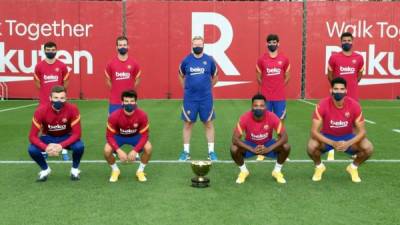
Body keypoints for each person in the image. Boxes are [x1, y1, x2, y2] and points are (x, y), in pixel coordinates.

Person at [307, 77, 373, 183]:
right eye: (336, 89)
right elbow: (314, 131)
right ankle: (319, 167)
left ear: (346, 91)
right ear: (331, 90)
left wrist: (348, 143)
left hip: (348, 138)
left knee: (368, 147)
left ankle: (353, 167)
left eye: (342, 89)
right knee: (311, 146)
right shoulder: (322, 105)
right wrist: (332, 143)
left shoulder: (354, 105)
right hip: (328, 137)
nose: (339, 91)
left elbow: (362, 131)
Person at [230, 94, 291, 184]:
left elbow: (285, 137)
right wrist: (252, 149)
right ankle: (243, 171)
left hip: (267, 144)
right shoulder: (245, 117)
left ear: (265, 107)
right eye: (256, 106)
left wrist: (269, 148)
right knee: (234, 148)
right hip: (250, 144)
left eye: (261, 106)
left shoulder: (272, 116)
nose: (259, 108)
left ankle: (277, 171)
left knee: (286, 146)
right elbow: (235, 139)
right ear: (252, 107)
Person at [28, 85, 84, 182]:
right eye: (56, 98)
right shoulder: (40, 111)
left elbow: (77, 134)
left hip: (66, 137)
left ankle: (74, 170)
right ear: (50, 98)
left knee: (79, 146)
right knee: (32, 149)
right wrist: (45, 147)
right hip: (48, 137)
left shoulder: (73, 109)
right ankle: (45, 169)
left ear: (66, 98)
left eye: (62, 98)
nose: (59, 101)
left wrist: (61, 146)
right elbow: (32, 136)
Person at [177, 36, 218, 161]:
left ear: (203, 45)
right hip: (190, 99)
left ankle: (211, 152)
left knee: (208, 124)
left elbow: (215, 76)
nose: (197, 47)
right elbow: (180, 74)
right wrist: (186, 88)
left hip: (206, 98)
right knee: (188, 124)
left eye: (200, 44)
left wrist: (207, 88)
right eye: (195, 45)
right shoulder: (186, 60)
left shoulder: (209, 60)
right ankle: (186, 152)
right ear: (192, 45)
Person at [326, 32, 364, 160]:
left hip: (352, 95)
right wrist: (336, 88)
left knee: (353, 122)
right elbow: (329, 74)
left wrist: (352, 85)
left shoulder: (359, 58)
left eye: (349, 40)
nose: (346, 42)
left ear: (352, 42)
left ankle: (351, 148)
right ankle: (330, 148)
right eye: (344, 40)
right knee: (331, 120)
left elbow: (359, 74)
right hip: (337, 95)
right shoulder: (334, 57)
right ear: (341, 42)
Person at [104, 90, 152, 183]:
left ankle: (140, 171)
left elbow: (145, 135)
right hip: (119, 137)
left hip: (135, 136)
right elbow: (109, 136)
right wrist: (118, 151)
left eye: (132, 101)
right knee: (106, 150)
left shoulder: (142, 115)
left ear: (136, 102)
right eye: (126, 101)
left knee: (148, 148)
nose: (129, 103)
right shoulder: (114, 116)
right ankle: (115, 170)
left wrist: (135, 150)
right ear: (122, 102)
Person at [256, 34, 290, 161]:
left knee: (280, 123)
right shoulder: (261, 59)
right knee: (264, 123)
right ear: (267, 44)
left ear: (278, 43)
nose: (272, 44)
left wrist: (280, 86)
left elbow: (288, 75)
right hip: (265, 98)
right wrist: (266, 86)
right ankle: (262, 151)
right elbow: (258, 76)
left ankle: (280, 149)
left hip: (280, 97)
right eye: (270, 42)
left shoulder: (284, 59)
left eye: (274, 42)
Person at [34, 41, 70, 160]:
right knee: (41, 126)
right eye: (48, 50)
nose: (50, 52)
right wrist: (46, 93)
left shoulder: (62, 66)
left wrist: (60, 96)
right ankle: (44, 149)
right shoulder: (39, 66)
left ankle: (64, 148)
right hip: (45, 101)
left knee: (63, 125)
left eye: (52, 50)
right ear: (44, 51)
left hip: (59, 101)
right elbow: (38, 83)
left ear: (56, 50)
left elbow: (66, 82)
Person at [105, 36, 142, 114]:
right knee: (113, 125)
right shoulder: (110, 64)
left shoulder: (134, 63)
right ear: (116, 47)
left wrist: (130, 88)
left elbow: (138, 78)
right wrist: (116, 89)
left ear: (128, 46)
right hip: (115, 102)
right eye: (120, 45)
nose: (123, 47)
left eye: (124, 45)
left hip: (130, 101)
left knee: (132, 125)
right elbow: (107, 80)